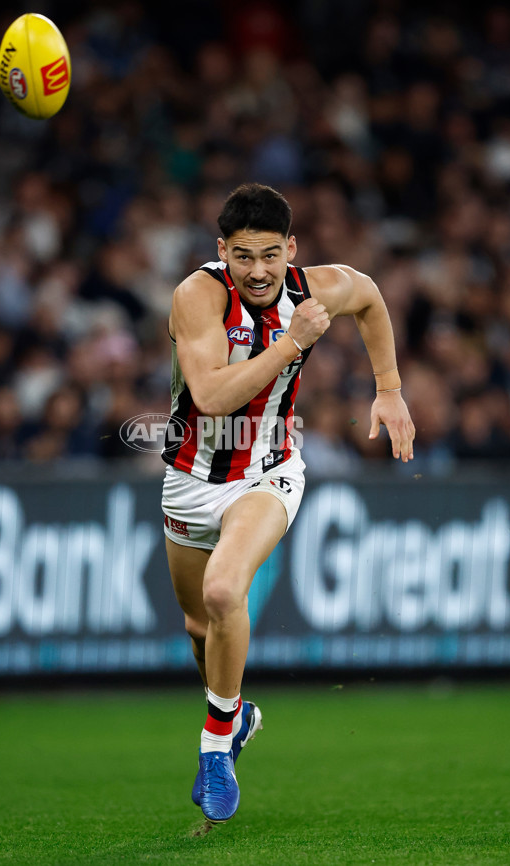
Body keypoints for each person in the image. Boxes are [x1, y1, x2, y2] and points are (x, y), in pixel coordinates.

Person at [161, 183, 415, 824]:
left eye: (270, 256)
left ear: (290, 249)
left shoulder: (315, 285)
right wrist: (293, 343)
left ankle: (215, 746)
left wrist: (389, 389)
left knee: (224, 594)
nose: (258, 271)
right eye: (243, 256)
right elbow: (213, 397)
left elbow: (371, 297)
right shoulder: (197, 296)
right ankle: (236, 714)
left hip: (269, 471)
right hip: (191, 480)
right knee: (198, 628)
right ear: (222, 251)